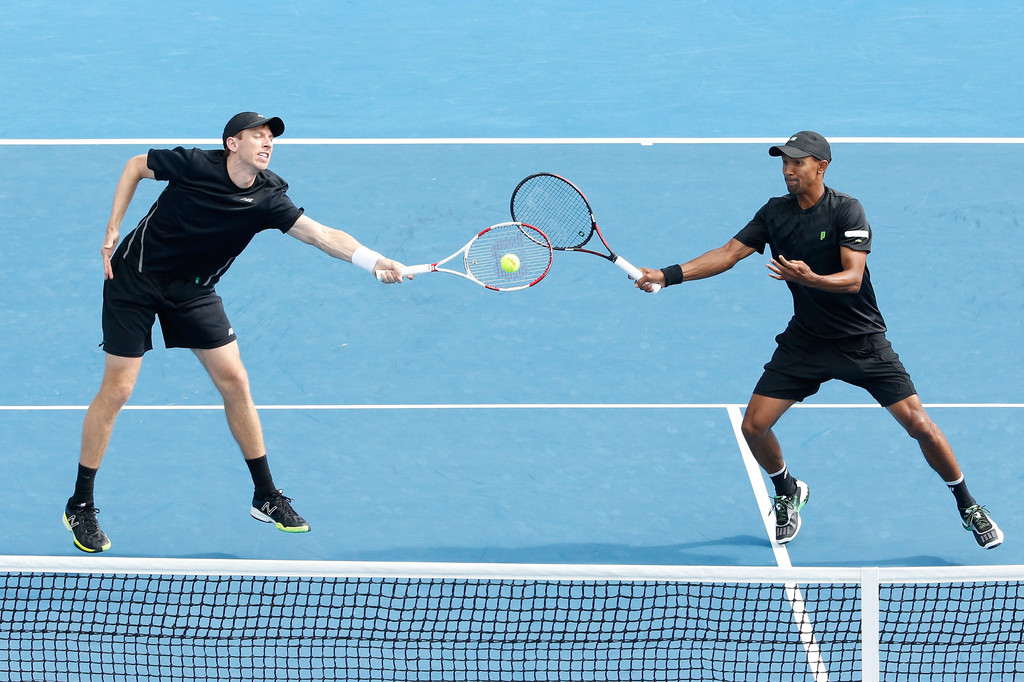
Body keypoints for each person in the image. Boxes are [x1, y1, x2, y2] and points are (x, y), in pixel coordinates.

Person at [635, 131, 1003, 549]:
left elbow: (853, 279)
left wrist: (813, 279)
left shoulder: (847, 210)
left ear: (820, 166)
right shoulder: (775, 213)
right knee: (754, 426)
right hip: (807, 341)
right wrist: (667, 275)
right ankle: (788, 490)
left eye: (797, 162)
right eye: (784, 163)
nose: (788, 170)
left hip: (861, 341)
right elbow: (729, 252)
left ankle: (968, 504)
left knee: (921, 425)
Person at [63, 112, 409, 553]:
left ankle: (265, 495)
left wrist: (375, 260)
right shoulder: (193, 165)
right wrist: (113, 226)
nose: (267, 145)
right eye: (258, 137)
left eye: (271, 139)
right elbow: (135, 165)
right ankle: (81, 503)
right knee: (118, 389)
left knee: (235, 380)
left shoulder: (268, 196)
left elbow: (320, 234)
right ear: (232, 143)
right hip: (135, 280)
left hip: (193, 291)